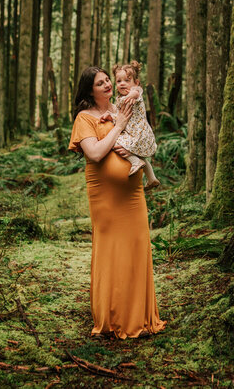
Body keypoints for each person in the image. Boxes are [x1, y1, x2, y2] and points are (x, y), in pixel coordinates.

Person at [68, 66, 166, 339]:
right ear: (90, 90)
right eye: (101, 83)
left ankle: (140, 319)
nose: (108, 84)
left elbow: (141, 134)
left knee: (136, 249)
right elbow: (96, 153)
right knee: (112, 252)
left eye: (108, 80)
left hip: (133, 193)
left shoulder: (125, 105)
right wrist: (118, 126)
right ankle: (111, 319)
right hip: (106, 197)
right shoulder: (84, 118)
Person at [112, 61, 161, 190]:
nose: (122, 83)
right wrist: (110, 116)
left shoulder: (134, 95)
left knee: (113, 142)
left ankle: (135, 162)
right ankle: (152, 179)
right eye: (119, 81)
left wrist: (133, 92)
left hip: (138, 134)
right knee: (142, 156)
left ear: (136, 82)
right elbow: (120, 117)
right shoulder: (119, 99)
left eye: (127, 80)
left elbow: (137, 93)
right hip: (137, 133)